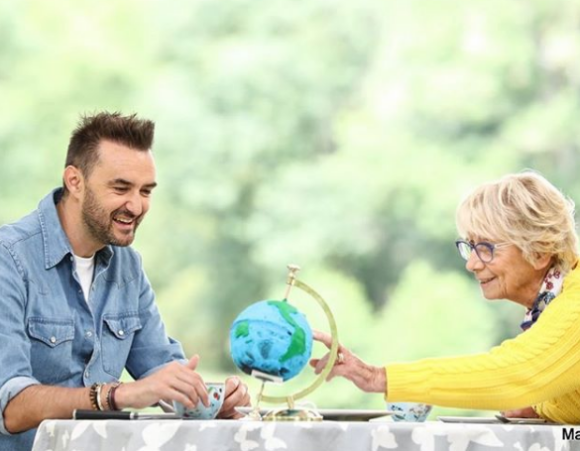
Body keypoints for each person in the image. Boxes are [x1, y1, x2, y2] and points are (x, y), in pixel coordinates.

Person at [0, 112, 250, 451]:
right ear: (75, 181)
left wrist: (210, 398)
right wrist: (119, 395)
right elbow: (10, 407)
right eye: (121, 188)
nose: (136, 205)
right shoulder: (9, 258)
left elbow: (163, 371)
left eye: (146, 191)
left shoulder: (128, 267)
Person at [311, 171, 580, 424]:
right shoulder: (551, 308)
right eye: (471, 247)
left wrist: (377, 377)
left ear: (540, 250)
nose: (472, 263)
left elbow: (518, 373)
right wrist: (542, 406)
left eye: (486, 248)